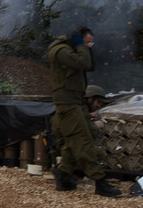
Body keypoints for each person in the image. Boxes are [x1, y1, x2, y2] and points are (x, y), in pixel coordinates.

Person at [48, 26, 122, 197]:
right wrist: (82, 46)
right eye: (87, 42)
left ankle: (63, 174)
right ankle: (100, 181)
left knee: (76, 141)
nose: (88, 47)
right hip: (67, 103)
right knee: (83, 141)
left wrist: (85, 47)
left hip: (76, 100)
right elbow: (84, 63)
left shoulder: (74, 51)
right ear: (78, 40)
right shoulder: (61, 51)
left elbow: (90, 66)